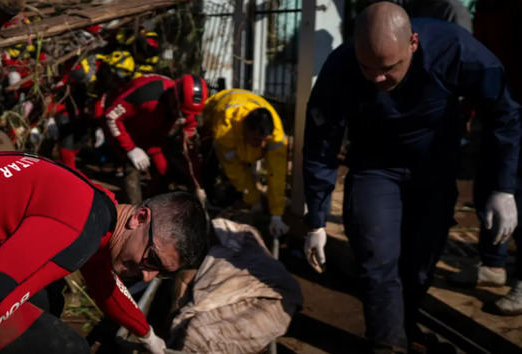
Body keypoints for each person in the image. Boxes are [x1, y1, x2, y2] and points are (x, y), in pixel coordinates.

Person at [302, 2, 520, 351]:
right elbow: (321, 141)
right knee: (377, 261)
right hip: (375, 167)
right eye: (367, 67)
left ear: (413, 44)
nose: (376, 78)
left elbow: (505, 113)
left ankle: (405, 327)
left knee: (419, 268)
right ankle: (387, 345)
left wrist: (502, 187)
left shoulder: (456, 49)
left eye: (389, 68)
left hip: (434, 168)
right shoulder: (341, 65)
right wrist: (316, 218)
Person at [0, 151, 209, 354]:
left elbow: (104, 284)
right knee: (67, 349)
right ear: (140, 218)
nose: (147, 275)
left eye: (162, 273)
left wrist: (148, 337)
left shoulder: (96, 205)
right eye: (152, 260)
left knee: (46, 296)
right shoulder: (75, 226)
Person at [447, 0, 522, 314]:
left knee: (515, 192)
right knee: (487, 189)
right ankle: (492, 264)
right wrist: (470, 106)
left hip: (516, 106)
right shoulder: (488, 7)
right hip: (495, 106)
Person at [102, 73, 208, 203]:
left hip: (153, 137)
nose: (185, 117)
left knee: (163, 171)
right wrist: (130, 148)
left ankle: (153, 206)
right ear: (174, 99)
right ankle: (131, 211)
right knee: (132, 168)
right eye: (183, 113)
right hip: (126, 130)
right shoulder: (146, 95)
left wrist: (198, 185)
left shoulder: (187, 113)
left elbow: (189, 151)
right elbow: (111, 117)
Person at [202, 89, 289, 238]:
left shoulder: (276, 136)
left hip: (244, 107)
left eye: (264, 141)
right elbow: (235, 170)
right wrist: (253, 200)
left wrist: (276, 215)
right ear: (245, 130)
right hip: (215, 111)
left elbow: (277, 174)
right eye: (256, 140)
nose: (261, 145)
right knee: (210, 164)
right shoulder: (224, 129)